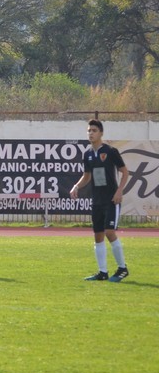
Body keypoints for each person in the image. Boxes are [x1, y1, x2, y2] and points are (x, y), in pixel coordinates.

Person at [70, 119, 131, 282]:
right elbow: (87, 176)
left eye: (94, 130)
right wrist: (76, 186)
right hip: (97, 200)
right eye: (89, 130)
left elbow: (125, 172)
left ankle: (122, 268)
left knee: (109, 232)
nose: (91, 133)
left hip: (111, 200)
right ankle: (102, 272)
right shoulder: (88, 154)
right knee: (98, 235)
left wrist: (119, 191)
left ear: (101, 133)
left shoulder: (111, 151)